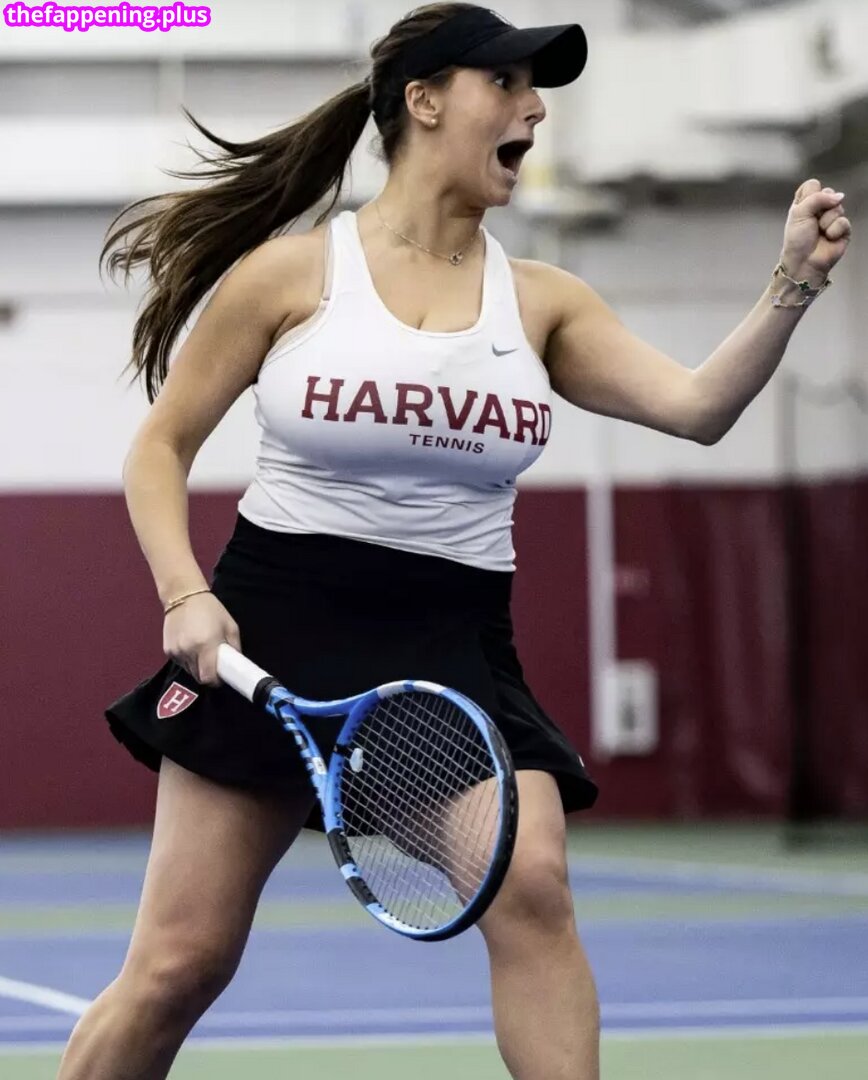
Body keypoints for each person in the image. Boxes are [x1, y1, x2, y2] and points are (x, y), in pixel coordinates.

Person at [57, 4, 851, 1079]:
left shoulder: (544, 303)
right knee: (178, 966)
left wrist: (793, 282)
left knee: (534, 889)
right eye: (507, 84)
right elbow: (160, 447)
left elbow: (698, 408)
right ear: (423, 101)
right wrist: (182, 593)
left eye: (538, 89)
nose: (535, 109)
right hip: (273, 631)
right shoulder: (292, 276)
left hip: (453, 648)